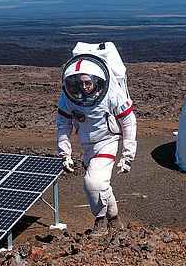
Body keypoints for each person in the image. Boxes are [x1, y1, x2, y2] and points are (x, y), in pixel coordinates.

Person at [56, 54, 137, 235]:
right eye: (78, 83)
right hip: (87, 146)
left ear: (97, 81)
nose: (83, 87)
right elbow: (63, 125)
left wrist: (127, 156)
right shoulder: (69, 98)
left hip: (107, 141)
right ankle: (115, 220)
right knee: (97, 186)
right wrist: (65, 154)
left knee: (94, 183)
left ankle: (100, 222)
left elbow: (129, 123)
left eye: (88, 83)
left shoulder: (112, 95)